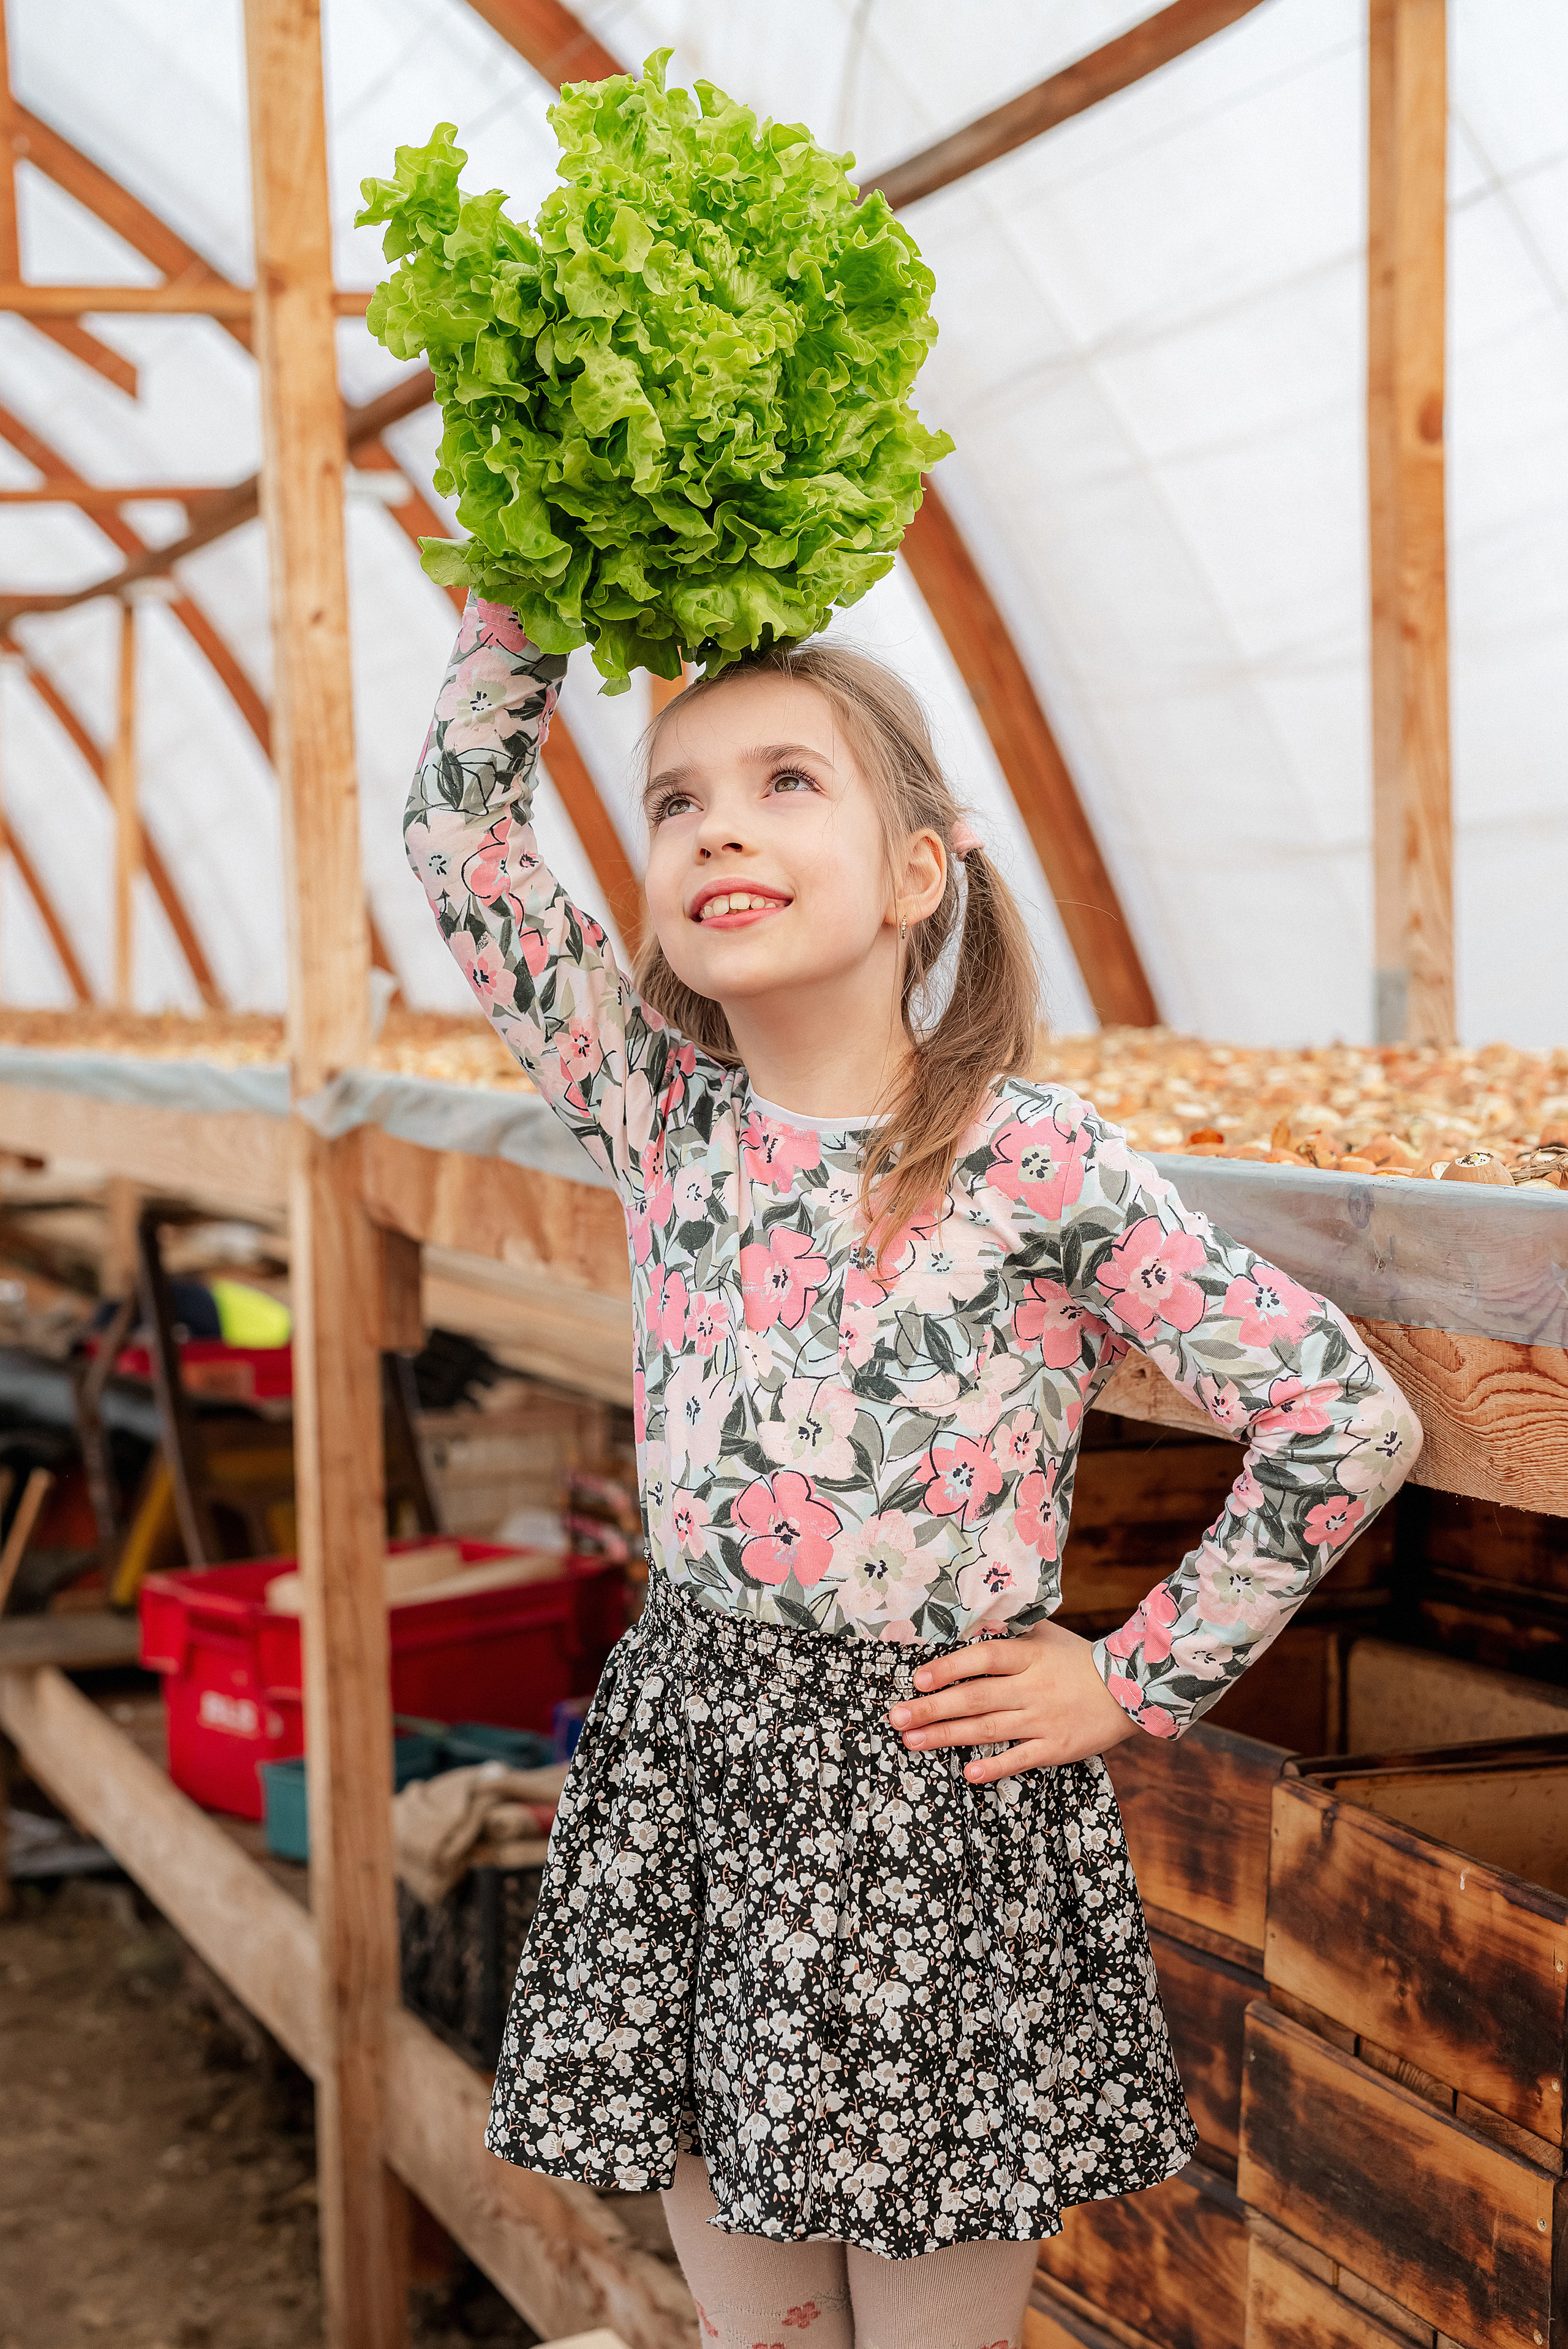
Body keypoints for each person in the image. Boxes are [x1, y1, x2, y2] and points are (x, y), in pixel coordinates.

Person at [405, 599, 1422, 2349]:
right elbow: (460, 834)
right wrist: (520, 591)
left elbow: (1345, 1414)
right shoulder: (664, 1113)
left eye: (787, 781)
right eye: (676, 799)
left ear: (918, 875)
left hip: (930, 1802)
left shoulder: (1030, 1157)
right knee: (763, 2333)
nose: (717, 822)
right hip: (700, 1778)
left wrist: (1129, 1676)